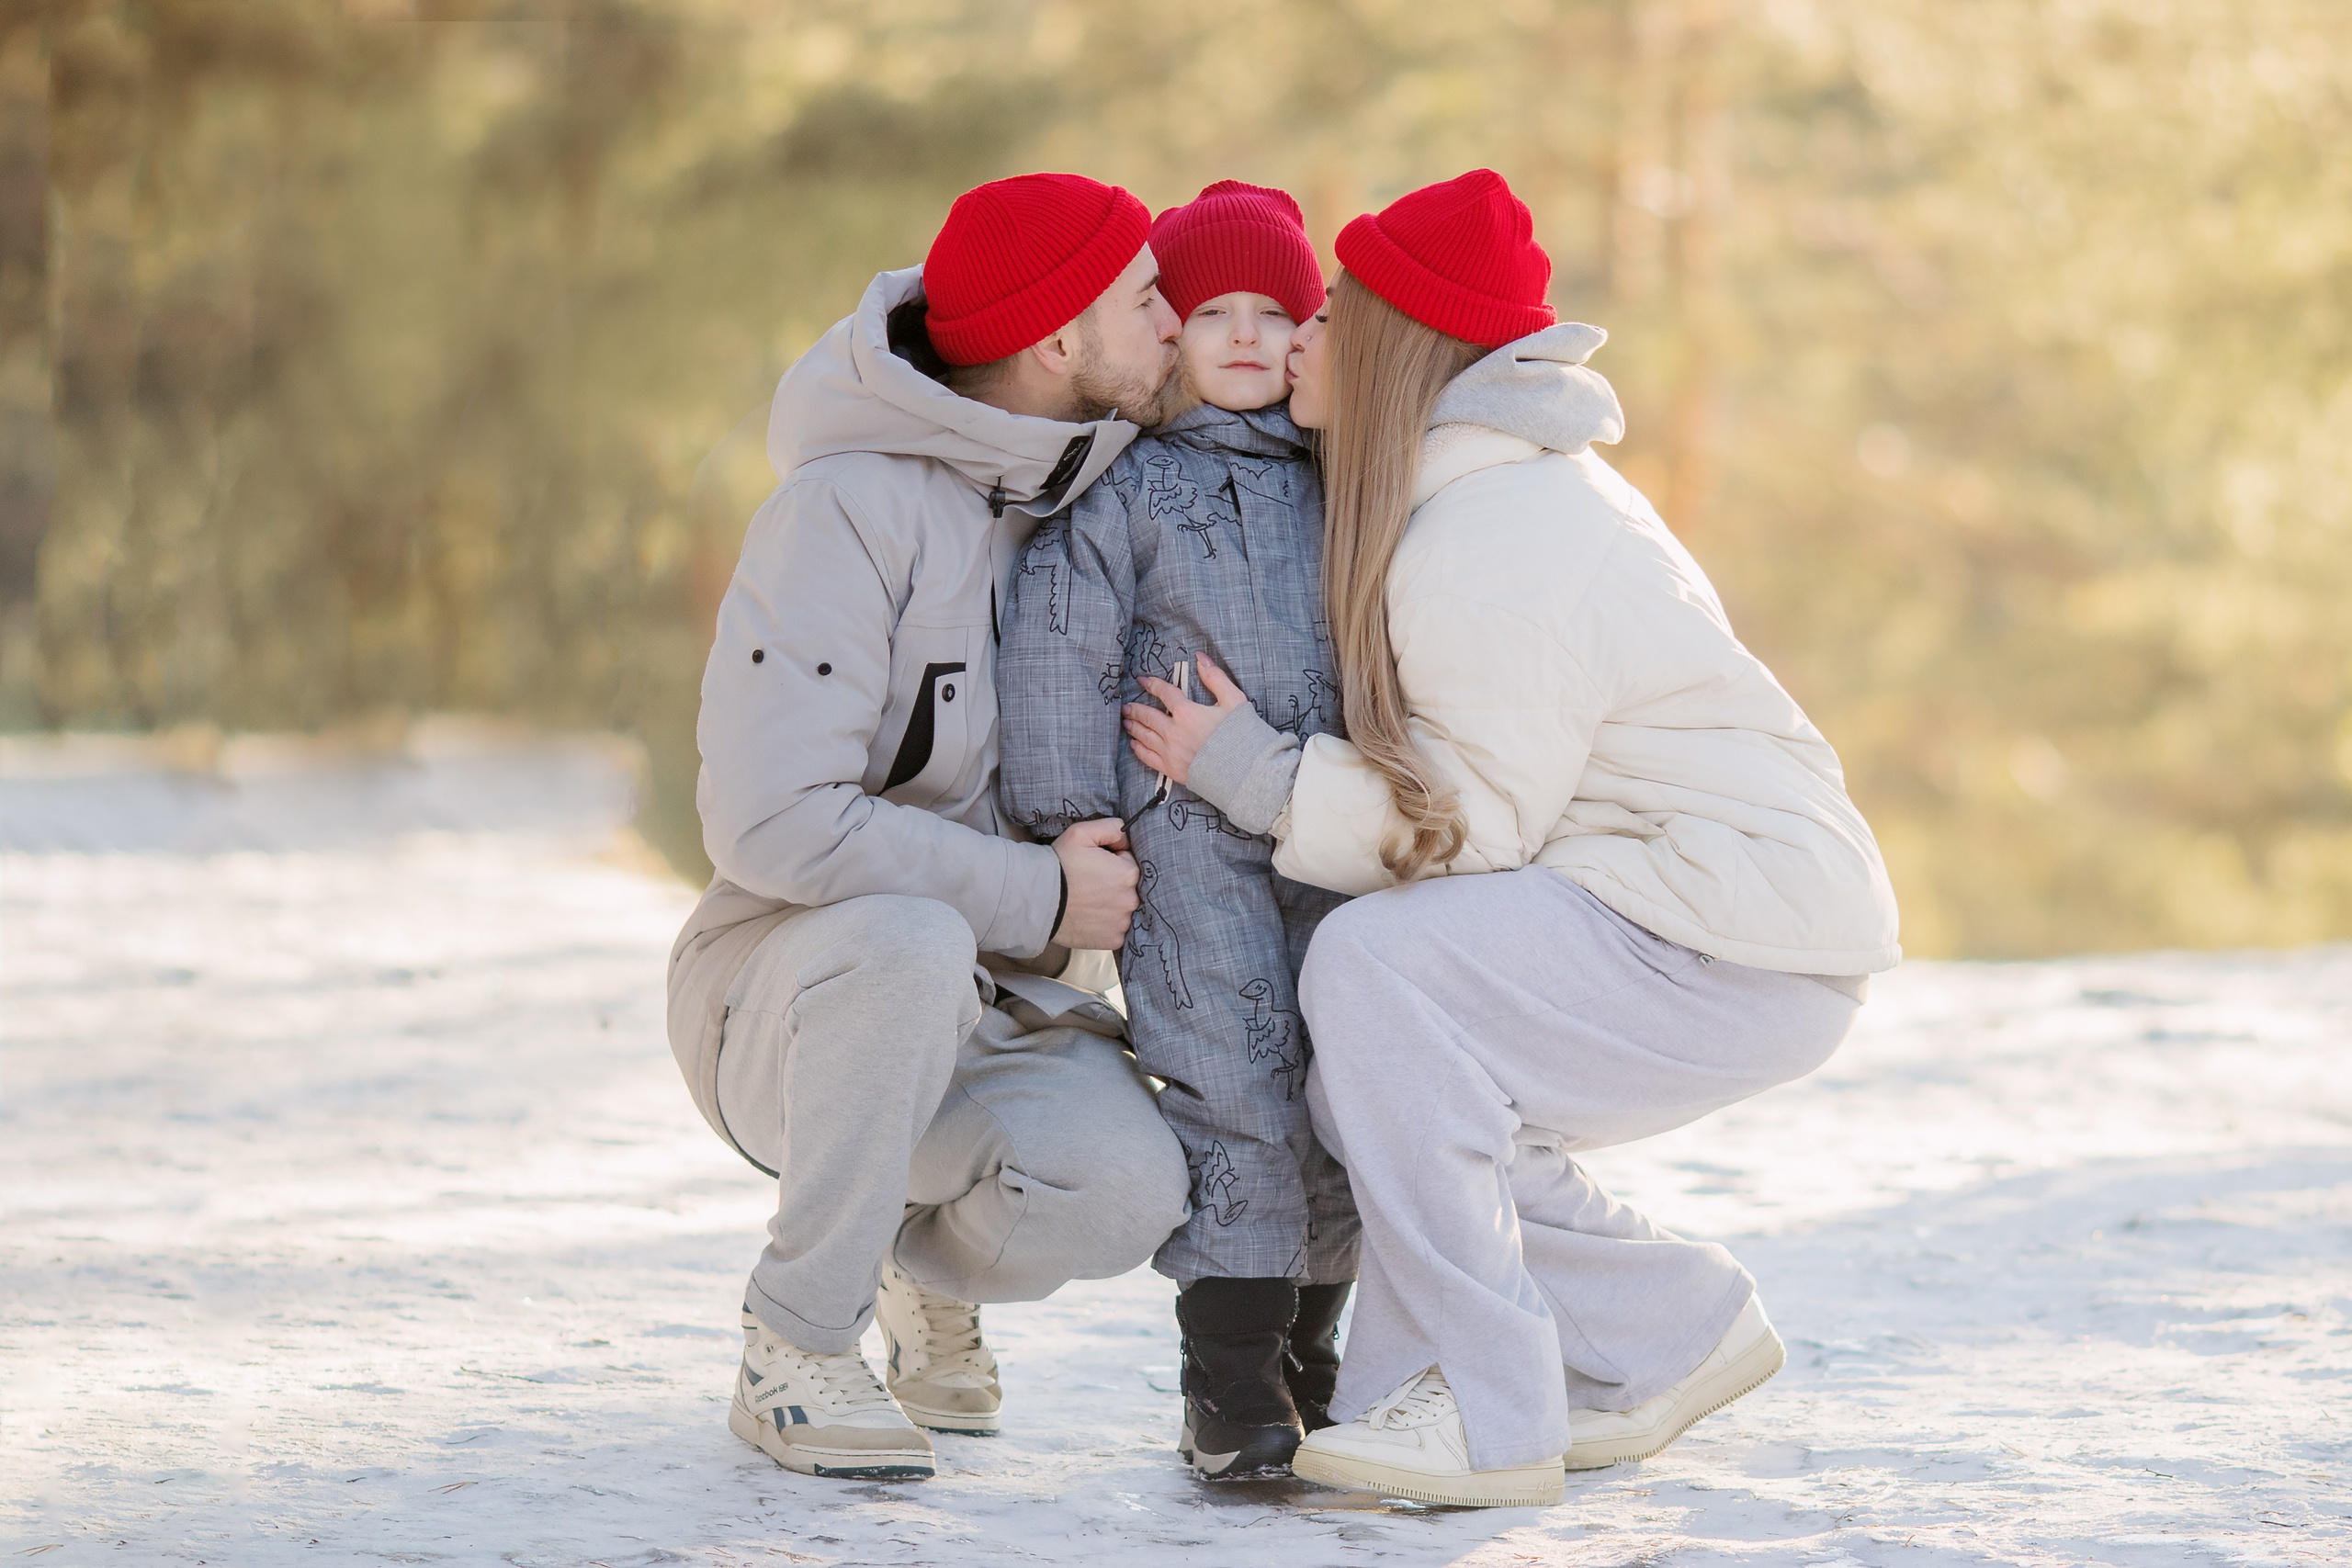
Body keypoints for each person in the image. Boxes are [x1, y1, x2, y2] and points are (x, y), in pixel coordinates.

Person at [1123, 169, 1902, 1507]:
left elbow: (1468, 828)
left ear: (1395, 345)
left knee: (1372, 972)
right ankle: (1670, 1328)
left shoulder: (1496, 530)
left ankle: (1480, 1414)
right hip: (1712, 919)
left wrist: (1255, 773)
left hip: (1722, 925)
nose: (1297, 333)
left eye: (1334, 310)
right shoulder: (1483, 494)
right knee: (1375, 1084)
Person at [667, 171, 1194, 1483]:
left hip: (998, 1012)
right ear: (1057, 340)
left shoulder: (1096, 507)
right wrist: (1039, 899)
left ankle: (910, 1267)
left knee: (1125, 1189)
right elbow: (772, 822)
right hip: (787, 1001)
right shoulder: (843, 515)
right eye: (1147, 299)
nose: (1177, 321)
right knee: (905, 942)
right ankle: (796, 1344)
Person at [997, 180, 1357, 1482]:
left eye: (1279, 312)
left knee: (1339, 1087)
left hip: (1336, 834)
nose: (1251, 336)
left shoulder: (1345, 480)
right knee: (1231, 1083)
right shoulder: (1127, 484)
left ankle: (1317, 1359)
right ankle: (1231, 1382)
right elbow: (1057, 645)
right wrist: (1072, 821)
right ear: (1173, 330)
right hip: (1184, 845)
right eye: (1216, 312)